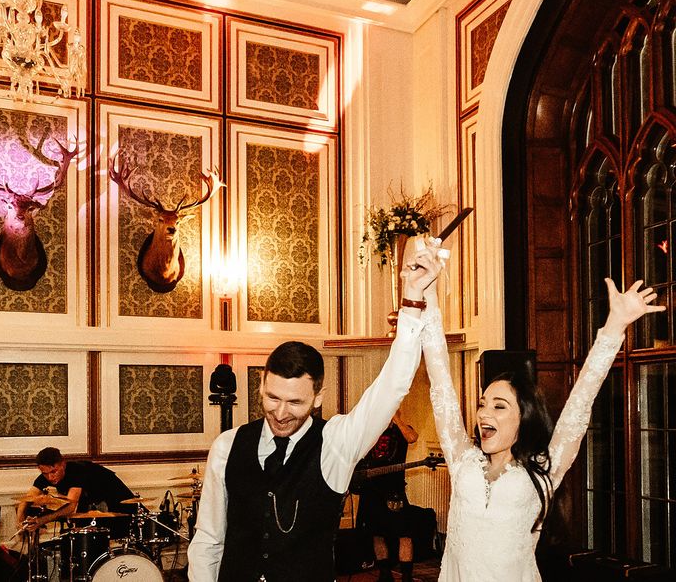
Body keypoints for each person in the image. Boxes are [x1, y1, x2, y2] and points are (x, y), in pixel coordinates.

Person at [187, 238, 447, 582]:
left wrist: (412, 298)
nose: (280, 412)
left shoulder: (336, 443)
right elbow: (208, 541)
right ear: (262, 386)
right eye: (272, 397)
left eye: (295, 402)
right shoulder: (227, 447)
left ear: (318, 397)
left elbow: (391, 387)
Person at [423, 277, 664, 581]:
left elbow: (581, 400)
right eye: (482, 404)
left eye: (499, 406)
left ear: (523, 418)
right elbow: (440, 380)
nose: (484, 413)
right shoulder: (463, 462)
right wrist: (428, 294)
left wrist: (614, 326)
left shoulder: (543, 471)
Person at [356, 406, 418, 582]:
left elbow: (412, 438)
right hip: (372, 490)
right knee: (377, 533)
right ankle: (384, 574)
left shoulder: (403, 431)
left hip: (394, 490)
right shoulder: (371, 432)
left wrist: (396, 419)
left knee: (405, 534)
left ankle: (407, 576)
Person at [16, 447, 136, 535]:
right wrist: (20, 521)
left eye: (54, 472)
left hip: (120, 503)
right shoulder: (46, 476)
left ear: (63, 464)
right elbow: (27, 499)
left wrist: (40, 521)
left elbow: (70, 507)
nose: (50, 477)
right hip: (96, 507)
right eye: (45, 473)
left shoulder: (77, 471)